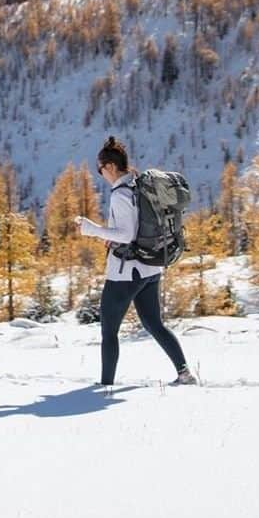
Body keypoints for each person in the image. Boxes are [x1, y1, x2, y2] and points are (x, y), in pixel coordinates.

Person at [75, 135, 196, 387]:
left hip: (125, 274)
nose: (101, 174)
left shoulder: (120, 194)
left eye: (101, 170)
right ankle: (184, 373)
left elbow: (126, 234)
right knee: (154, 324)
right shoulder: (138, 186)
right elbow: (133, 229)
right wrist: (111, 235)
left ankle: (105, 385)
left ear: (109, 166)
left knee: (109, 331)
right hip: (150, 268)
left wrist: (93, 229)